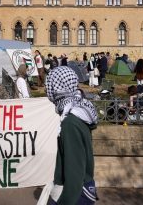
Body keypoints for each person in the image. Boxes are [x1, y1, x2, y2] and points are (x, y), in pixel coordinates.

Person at [45, 66, 98, 204]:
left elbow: (75, 175)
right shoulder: (77, 111)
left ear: (57, 87)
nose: (47, 89)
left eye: (50, 85)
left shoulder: (70, 123)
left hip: (75, 194)